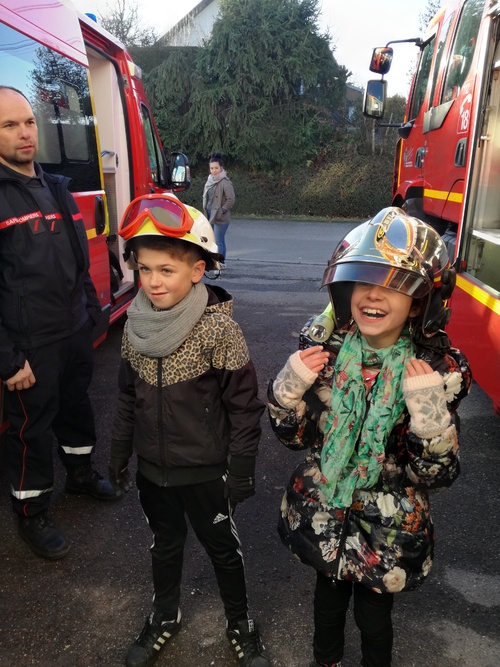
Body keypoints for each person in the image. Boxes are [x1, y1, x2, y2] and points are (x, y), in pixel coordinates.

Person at [267, 207, 472, 667]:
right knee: (326, 608)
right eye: (363, 282)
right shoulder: (324, 353)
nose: (373, 295)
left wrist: (429, 415)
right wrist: (288, 389)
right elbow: (295, 439)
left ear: (420, 302)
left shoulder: (434, 375)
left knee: (375, 619)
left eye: (394, 284)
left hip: (387, 529)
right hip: (322, 512)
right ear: (345, 291)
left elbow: (434, 476)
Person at [109, 193, 270, 667]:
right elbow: (124, 397)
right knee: (165, 546)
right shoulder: (133, 326)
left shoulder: (219, 330)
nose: (152, 282)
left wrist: (240, 468)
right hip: (153, 471)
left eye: (166, 270)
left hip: (206, 472)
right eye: (145, 269)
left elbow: (245, 407)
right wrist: (120, 453)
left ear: (197, 271)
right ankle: (164, 616)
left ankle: (240, 622)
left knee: (223, 550)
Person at [0, 86, 121, 560]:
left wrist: (93, 317)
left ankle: (81, 475)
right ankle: (31, 513)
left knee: (76, 408)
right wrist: (8, 360)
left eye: (28, 122)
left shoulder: (55, 187)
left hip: (72, 333)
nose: (25, 133)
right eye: (9, 125)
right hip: (28, 346)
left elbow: (76, 263)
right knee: (29, 431)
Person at [202, 152, 235, 268]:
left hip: (221, 216)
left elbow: (231, 199)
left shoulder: (225, 182)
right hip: (210, 214)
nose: (214, 170)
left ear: (221, 168)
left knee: (218, 241)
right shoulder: (210, 180)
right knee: (213, 240)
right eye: (211, 168)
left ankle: (219, 263)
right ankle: (219, 261)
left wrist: (222, 210)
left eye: (216, 168)